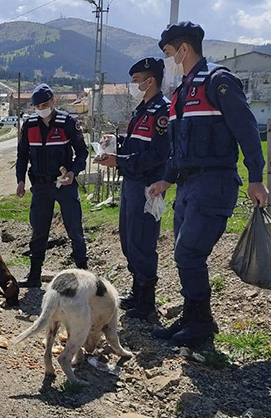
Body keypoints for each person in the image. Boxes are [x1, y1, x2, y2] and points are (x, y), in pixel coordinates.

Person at [147, 22, 269, 347]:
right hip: (188, 185)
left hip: (214, 181)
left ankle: (200, 323)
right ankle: (192, 316)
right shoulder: (182, 92)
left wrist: (256, 177)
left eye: (169, 53)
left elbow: (246, 129)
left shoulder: (219, 81)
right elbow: (178, 148)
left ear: (183, 49)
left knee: (189, 252)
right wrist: (166, 180)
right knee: (184, 253)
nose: (169, 60)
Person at [96, 58, 171, 322]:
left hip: (148, 187)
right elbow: (136, 143)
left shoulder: (163, 111)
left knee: (142, 243)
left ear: (150, 81)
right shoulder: (143, 109)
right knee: (129, 242)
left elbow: (158, 155)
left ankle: (147, 303)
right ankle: (137, 292)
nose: (133, 85)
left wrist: (120, 161)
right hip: (131, 183)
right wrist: (115, 143)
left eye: (136, 80)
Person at [16, 83, 89, 288]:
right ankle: (34, 276)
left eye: (45, 104)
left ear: (53, 101)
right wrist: (20, 180)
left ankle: (84, 276)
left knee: (74, 229)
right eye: (38, 106)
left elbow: (82, 152)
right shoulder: (29, 126)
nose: (42, 109)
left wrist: (74, 172)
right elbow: (22, 156)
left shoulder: (67, 122)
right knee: (39, 230)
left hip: (64, 185)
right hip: (40, 187)